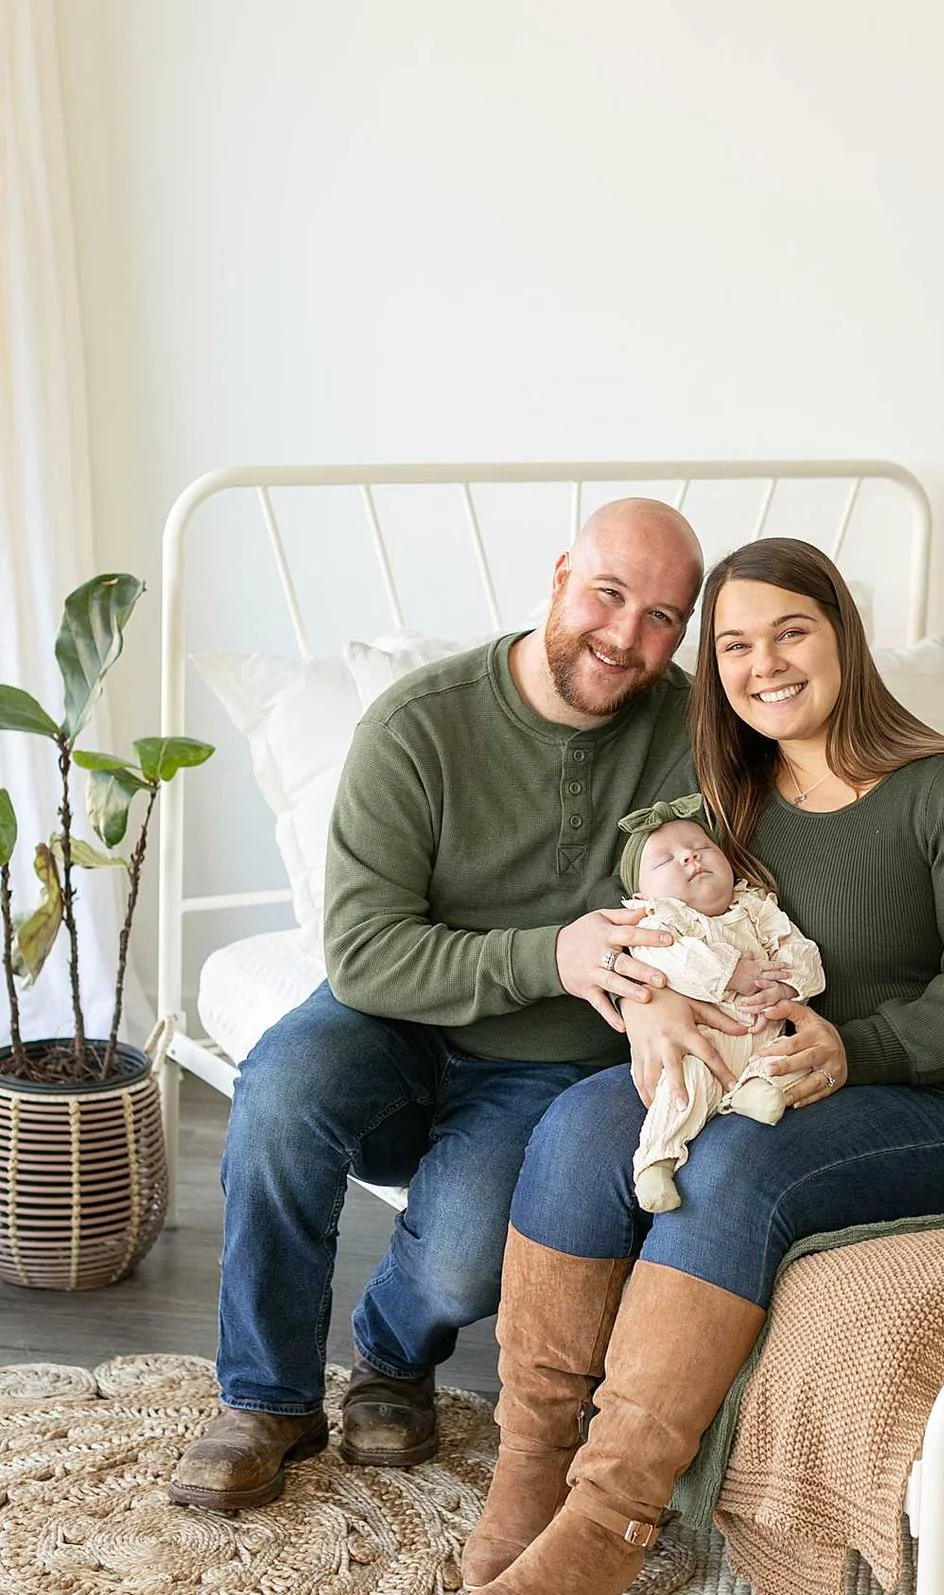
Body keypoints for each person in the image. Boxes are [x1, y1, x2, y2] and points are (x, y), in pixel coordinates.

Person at [450, 536, 944, 1595]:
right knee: (584, 1116)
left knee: (734, 1158)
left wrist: (859, 1046)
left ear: (843, 638)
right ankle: (531, 1465)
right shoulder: (728, 801)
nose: (763, 664)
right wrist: (648, 1008)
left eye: (791, 632)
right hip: (753, 1074)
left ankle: (609, 1517)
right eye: (734, 643)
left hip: (933, 1104)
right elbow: (659, 935)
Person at [171, 499, 711, 1512]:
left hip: (548, 1064)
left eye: (662, 616)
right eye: (607, 594)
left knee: (464, 1262)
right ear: (558, 576)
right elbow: (365, 953)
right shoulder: (420, 722)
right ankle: (265, 1396)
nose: (627, 636)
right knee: (283, 1085)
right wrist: (551, 952)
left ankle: (390, 1353)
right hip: (393, 1020)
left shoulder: (692, 733)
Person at [607, 797, 827, 1212]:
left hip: (766, 1030)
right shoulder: (657, 922)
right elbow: (670, 960)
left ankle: (753, 1090)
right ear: (642, 892)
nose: (690, 855)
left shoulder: (756, 909)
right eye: (665, 860)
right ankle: (656, 1161)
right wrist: (731, 972)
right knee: (683, 1085)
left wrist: (791, 988)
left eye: (701, 847)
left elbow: (799, 950)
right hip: (702, 1041)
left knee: (793, 1060)